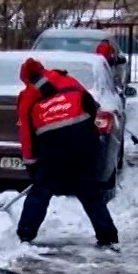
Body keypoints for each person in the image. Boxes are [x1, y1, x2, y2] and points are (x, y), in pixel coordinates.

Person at [15, 57, 119, 247]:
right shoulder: (68, 80)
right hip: (85, 142)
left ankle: (25, 233)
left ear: (26, 79)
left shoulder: (27, 95)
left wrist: (31, 164)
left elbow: (26, 135)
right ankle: (108, 236)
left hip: (54, 147)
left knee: (40, 191)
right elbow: (91, 104)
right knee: (90, 192)